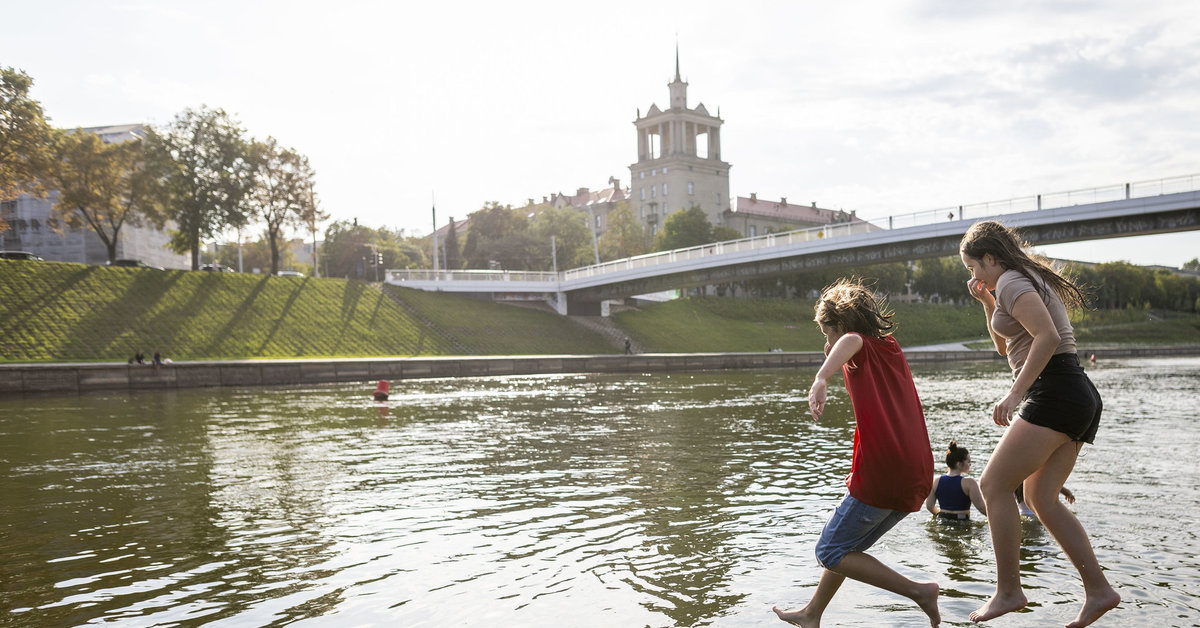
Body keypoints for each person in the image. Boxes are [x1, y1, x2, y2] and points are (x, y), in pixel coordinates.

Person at [960, 221, 1119, 626]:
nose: (972, 276)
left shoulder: (1013, 281)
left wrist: (1015, 394)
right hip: (1075, 394)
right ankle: (1099, 590)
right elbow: (1006, 346)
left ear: (990, 258)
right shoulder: (1015, 283)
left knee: (992, 485)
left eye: (974, 267)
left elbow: (1046, 338)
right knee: (1038, 497)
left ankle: (1009, 590)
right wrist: (986, 303)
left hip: (1056, 391)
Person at [773, 278, 940, 628]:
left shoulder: (855, 342)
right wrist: (832, 355)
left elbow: (849, 340)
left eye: (826, 332)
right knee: (846, 552)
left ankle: (919, 592)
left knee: (829, 551)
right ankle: (812, 612)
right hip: (917, 473)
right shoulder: (889, 347)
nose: (827, 341)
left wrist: (820, 379)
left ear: (843, 325)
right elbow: (850, 343)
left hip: (883, 473)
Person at [925, 441, 986, 521]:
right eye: (968, 461)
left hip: (942, 520)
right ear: (959, 464)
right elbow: (981, 508)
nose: (970, 464)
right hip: (962, 522)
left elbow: (929, 506)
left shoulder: (936, 481)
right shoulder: (969, 483)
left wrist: (939, 515)